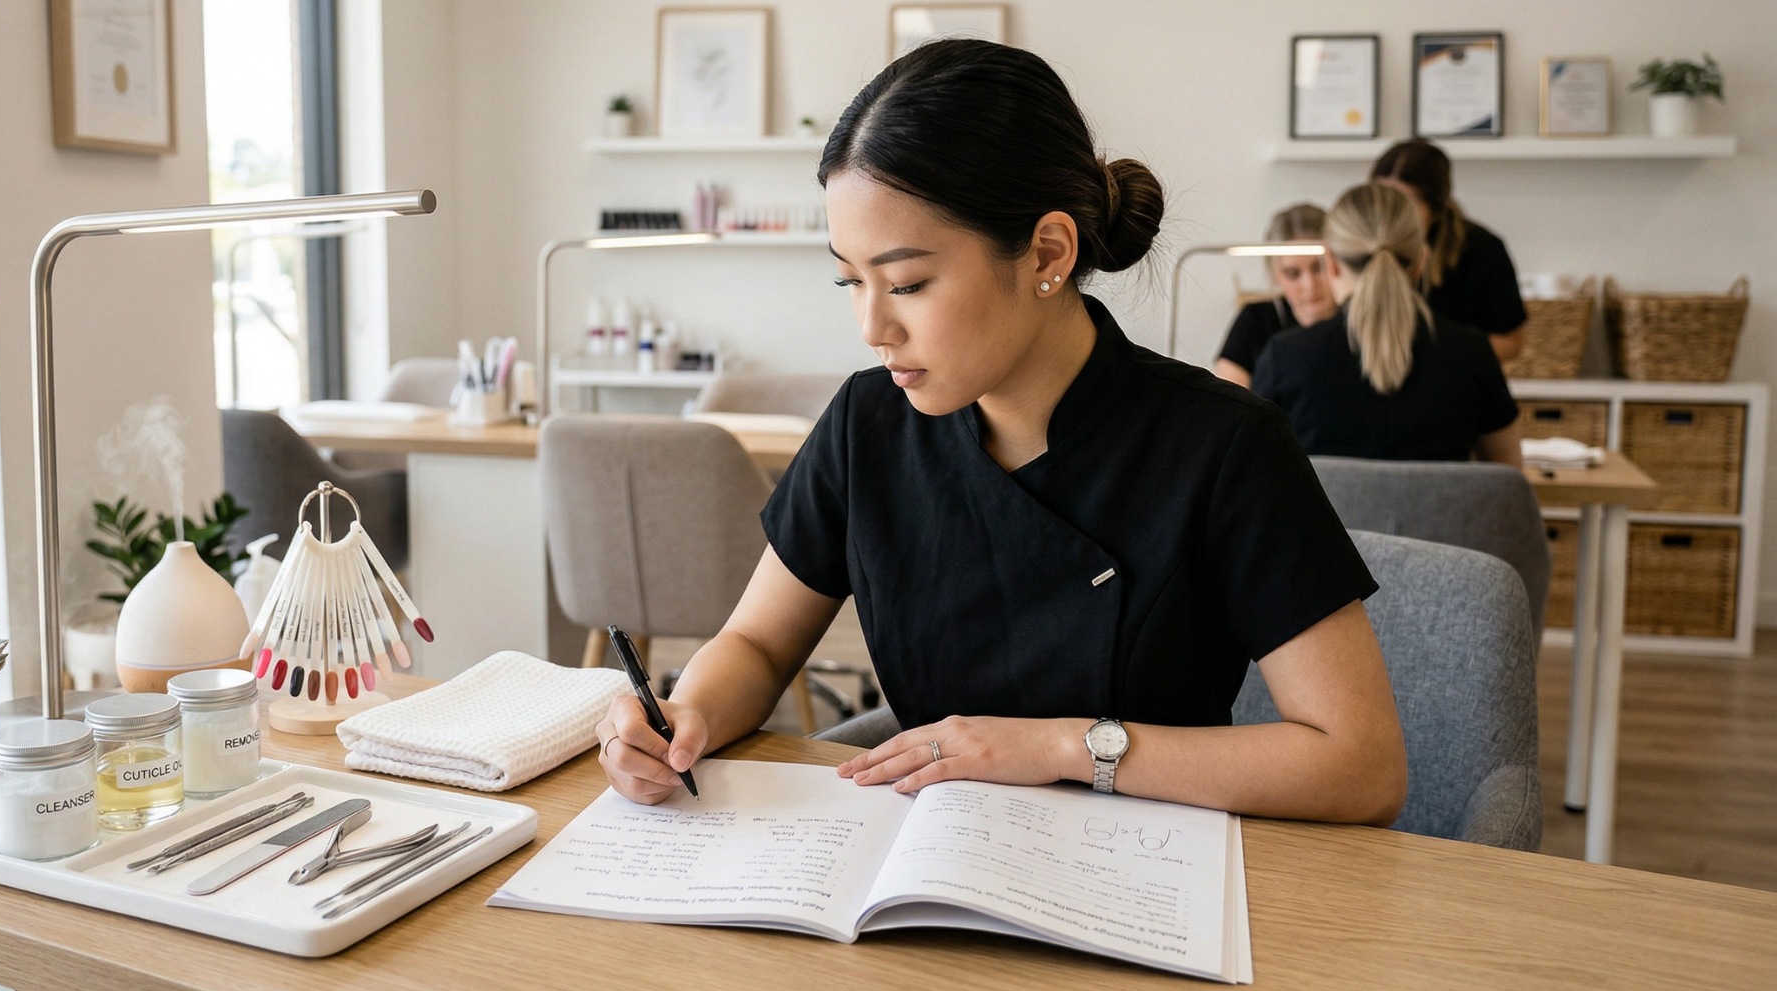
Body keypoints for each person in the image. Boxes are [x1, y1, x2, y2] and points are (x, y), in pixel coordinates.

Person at [594, 39, 1407, 826]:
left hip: (1151, 875)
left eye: (907, 282)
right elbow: (759, 644)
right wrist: (684, 714)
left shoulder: (1224, 446)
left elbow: (1362, 766)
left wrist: (1059, 747)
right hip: (929, 861)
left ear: (1048, 252)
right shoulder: (865, 423)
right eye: (851, 279)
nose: (873, 327)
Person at [1251, 183, 1522, 466]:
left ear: (1329, 262)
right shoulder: (1471, 353)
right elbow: (1508, 481)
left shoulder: (1285, 358)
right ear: (1421, 261)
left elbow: (1254, 480)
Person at [1370, 139, 1529, 360]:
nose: (1389, 215)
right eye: (1380, 201)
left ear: (1434, 210)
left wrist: (1434, 358)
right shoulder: (1357, 246)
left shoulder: (1482, 249)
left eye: (1405, 205)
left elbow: (1510, 342)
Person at [1213, 203, 1334, 388]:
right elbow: (1227, 405)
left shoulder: (1362, 320)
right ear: (1275, 274)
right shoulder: (1255, 321)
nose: (1309, 285)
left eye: (1319, 268)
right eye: (1293, 274)